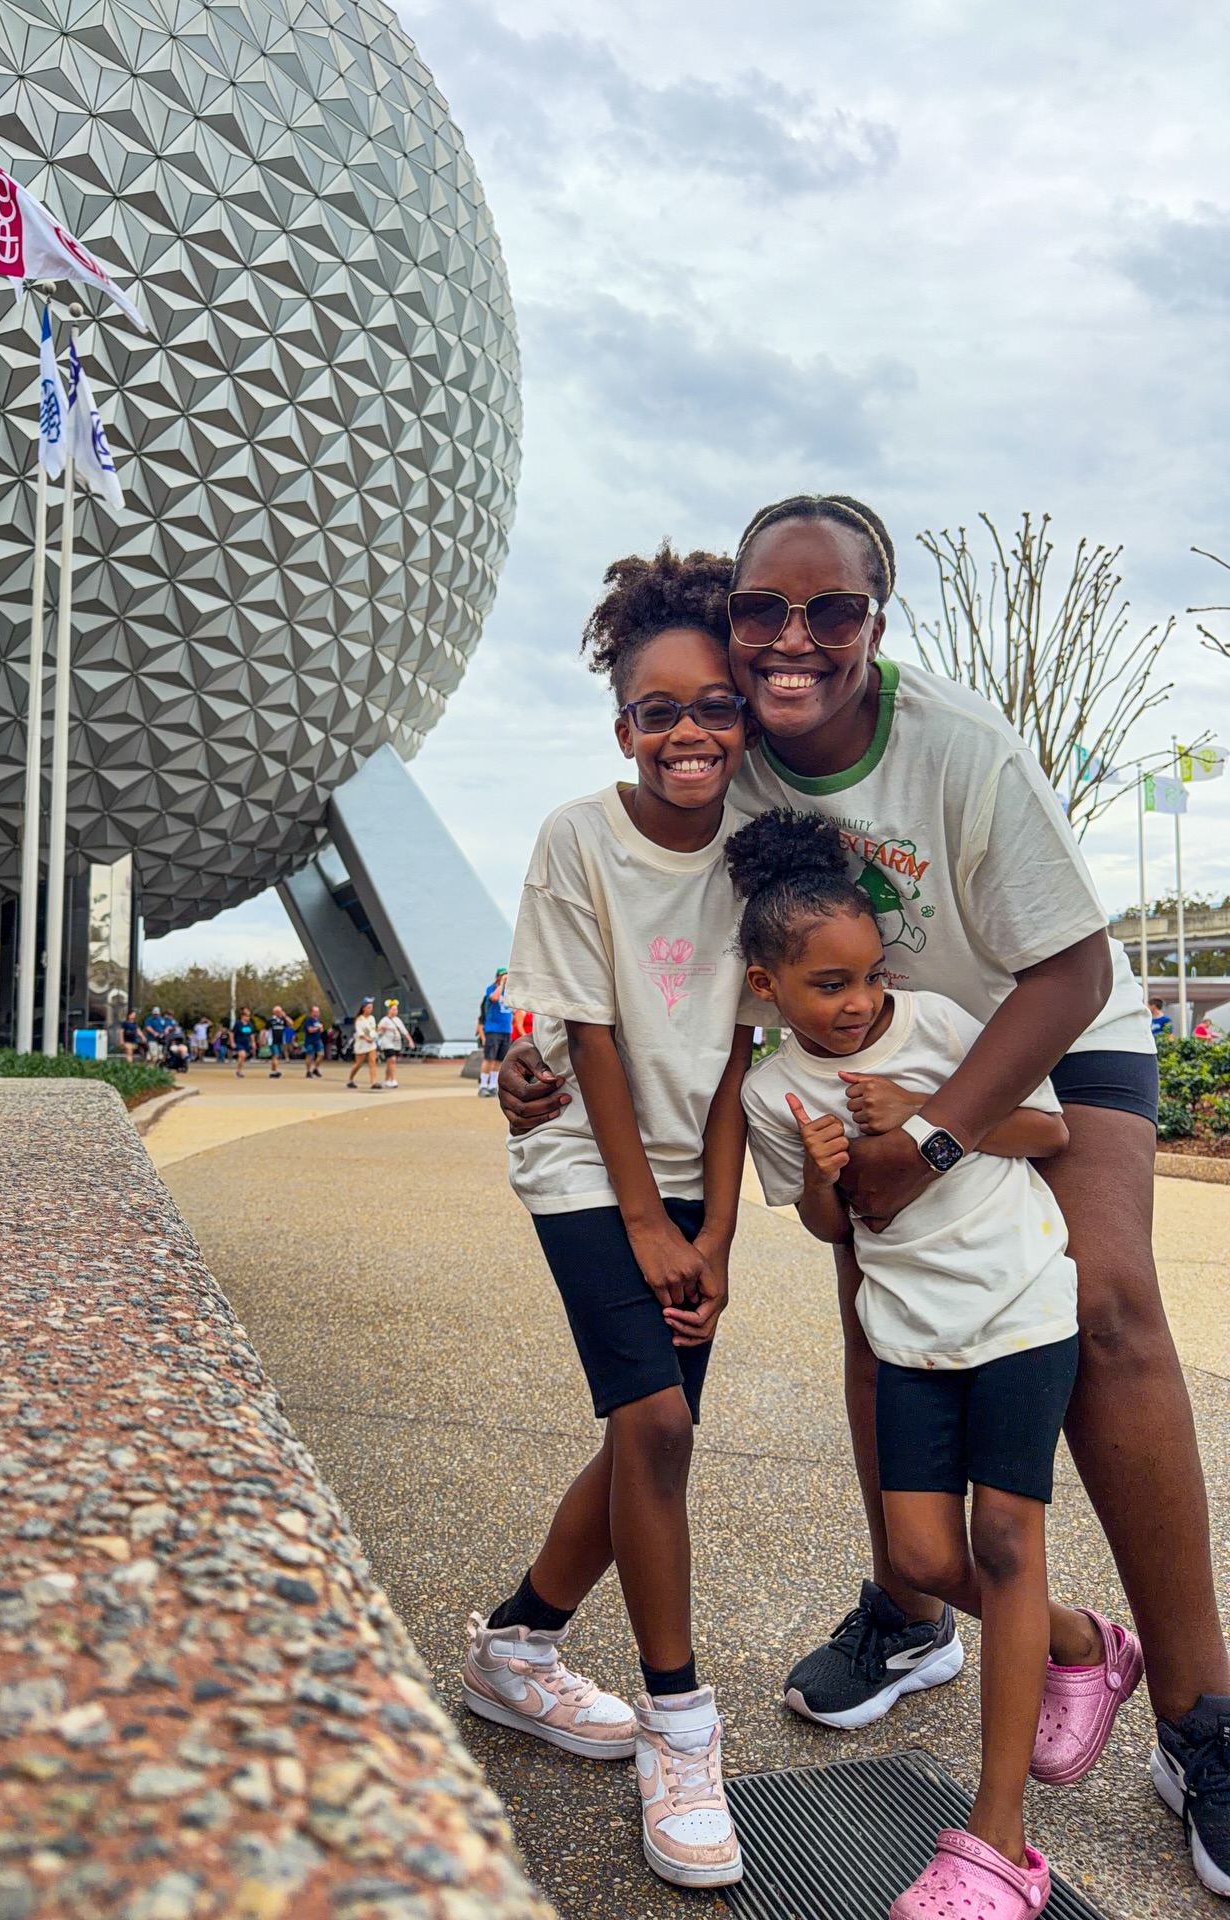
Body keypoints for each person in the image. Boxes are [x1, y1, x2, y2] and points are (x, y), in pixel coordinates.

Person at [498, 501, 1230, 1896]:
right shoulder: (735, 749)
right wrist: (523, 1062)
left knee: (1109, 1298)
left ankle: (1202, 1718)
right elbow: (625, 927)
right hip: (869, 1047)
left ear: (875, 625)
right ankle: (913, 1610)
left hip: (1044, 1024)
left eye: (827, 614)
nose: (788, 643)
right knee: (878, 1304)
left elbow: (1070, 973)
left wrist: (941, 1140)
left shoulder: (962, 749)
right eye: (762, 615)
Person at [735, 808, 1142, 1912]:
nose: (859, 1001)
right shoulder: (772, 1093)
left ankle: (997, 1841)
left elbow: (1049, 1132)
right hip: (908, 1332)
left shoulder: (943, 1024)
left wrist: (926, 1115)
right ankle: (1081, 1641)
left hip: (1018, 1304)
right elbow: (830, 1229)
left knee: (1007, 1541)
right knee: (920, 1558)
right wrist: (826, 1172)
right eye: (828, 986)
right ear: (766, 985)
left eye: (867, 975)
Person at [463, 549, 757, 1893]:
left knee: (657, 1432)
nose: (688, 732)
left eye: (712, 705)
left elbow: (742, 1061)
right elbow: (574, 1036)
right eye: (658, 709)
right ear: (620, 723)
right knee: (654, 1426)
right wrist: (647, 1223)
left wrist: (721, 1239)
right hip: (588, 1165)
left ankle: (517, 1649)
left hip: (698, 1170)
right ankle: (680, 1729)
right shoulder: (579, 839)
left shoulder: (762, 847)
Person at [479, 966, 514, 1097]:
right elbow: (494, 998)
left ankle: (493, 1085)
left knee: (499, 1060)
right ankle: (483, 1085)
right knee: (489, 1058)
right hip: (493, 1030)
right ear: (498, 976)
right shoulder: (491, 989)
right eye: (503, 975)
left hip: (506, 1030)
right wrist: (501, 984)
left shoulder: (510, 992)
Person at [346, 997, 381, 1089]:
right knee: (359, 1063)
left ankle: (374, 1082)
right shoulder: (359, 1019)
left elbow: (373, 1030)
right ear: (364, 1008)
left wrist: (375, 1034)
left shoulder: (372, 1018)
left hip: (371, 1044)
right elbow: (359, 1032)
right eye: (368, 1007)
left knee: (372, 1062)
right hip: (361, 1044)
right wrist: (365, 1037)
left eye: (371, 1008)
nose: (370, 1010)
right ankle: (350, 1079)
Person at [377, 998, 413, 1088]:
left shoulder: (398, 1020)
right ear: (389, 1010)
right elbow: (378, 1030)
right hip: (387, 1043)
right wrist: (381, 1029)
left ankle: (386, 1080)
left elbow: (404, 1031)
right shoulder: (384, 1020)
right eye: (393, 1009)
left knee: (391, 1062)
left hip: (397, 1044)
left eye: (396, 1009)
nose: (395, 1011)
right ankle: (393, 1079)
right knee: (392, 1059)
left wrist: (410, 1040)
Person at [230, 1004, 257, 1078]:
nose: (248, 1018)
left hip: (246, 1043)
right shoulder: (238, 1024)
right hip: (239, 1042)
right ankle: (239, 1071)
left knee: (243, 1057)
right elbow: (232, 1033)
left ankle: (239, 1070)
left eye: (248, 1016)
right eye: (246, 1016)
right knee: (242, 1055)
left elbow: (251, 1034)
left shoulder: (250, 1024)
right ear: (242, 1016)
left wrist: (253, 1043)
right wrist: (232, 1042)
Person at [267, 1004, 291, 1078]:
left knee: (276, 1056)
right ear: (275, 1012)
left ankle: (273, 1071)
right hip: (273, 1040)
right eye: (278, 1011)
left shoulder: (282, 1020)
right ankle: (276, 1071)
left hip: (280, 1040)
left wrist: (285, 1016)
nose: (280, 1013)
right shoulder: (271, 1020)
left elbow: (291, 1023)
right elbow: (266, 1030)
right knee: (276, 1055)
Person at [302, 1006, 325, 1078]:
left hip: (318, 1040)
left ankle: (316, 1068)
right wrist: (317, 1028)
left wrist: (321, 1028)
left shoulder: (318, 1020)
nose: (317, 1013)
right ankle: (308, 1071)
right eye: (315, 1012)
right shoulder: (308, 1020)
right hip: (309, 1041)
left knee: (321, 1054)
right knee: (309, 1056)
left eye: (318, 1012)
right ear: (312, 1012)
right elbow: (310, 1030)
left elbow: (321, 1030)